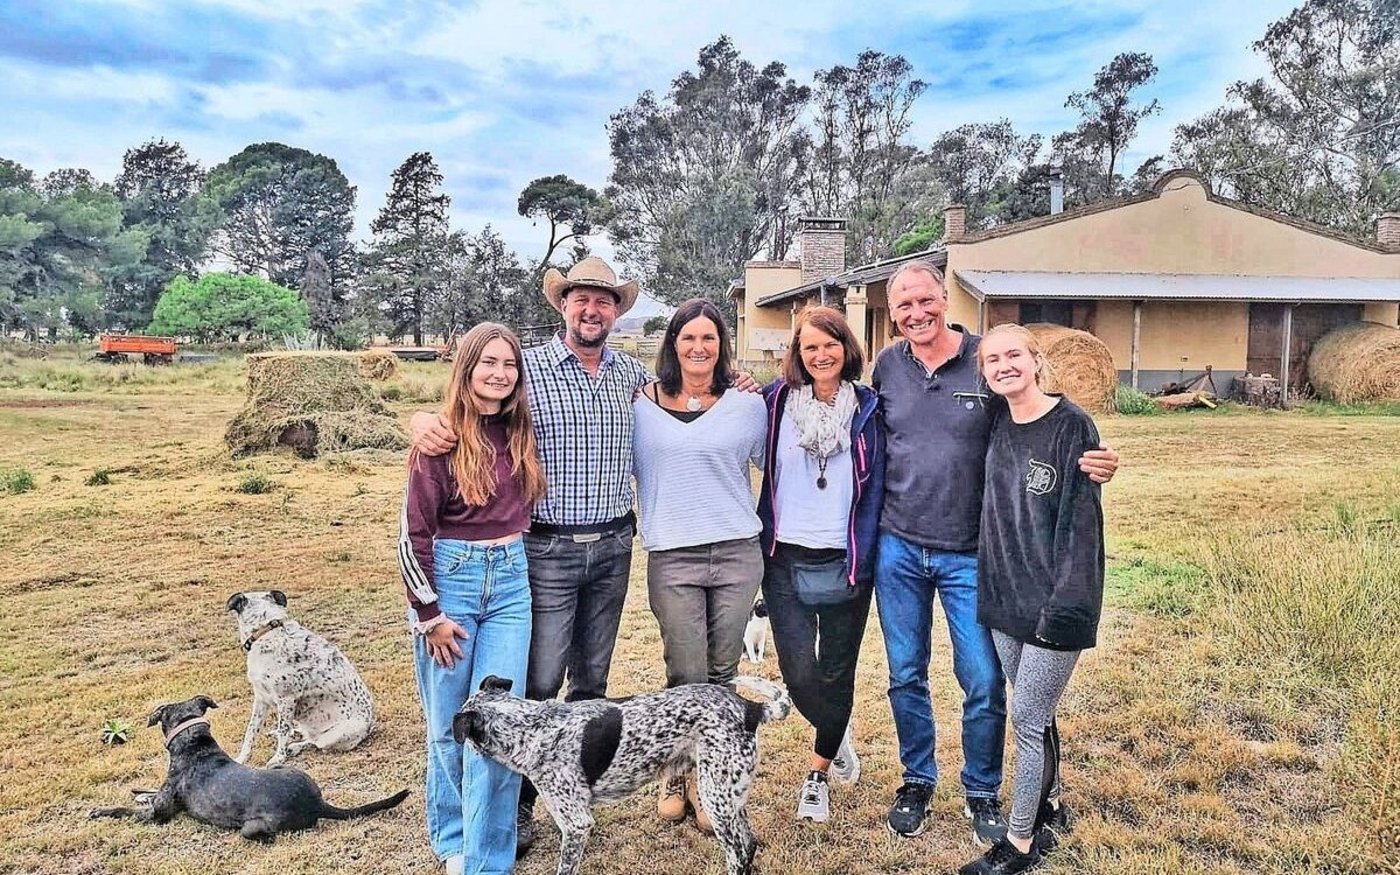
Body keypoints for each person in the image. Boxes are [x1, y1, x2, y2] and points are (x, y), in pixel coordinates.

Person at [873, 260, 1119, 844]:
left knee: (982, 680)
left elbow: (1040, 419)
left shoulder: (986, 359)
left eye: (926, 300)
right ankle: (917, 780)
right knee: (905, 673)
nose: (916, 313)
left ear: (944, 298)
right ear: (894, 311)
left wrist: (1093, 457)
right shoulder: (887, 366)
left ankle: (981, 790)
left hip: (973, 554)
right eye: (904, 305)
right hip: (898, 546)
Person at [410, 256, 649, 853]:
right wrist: (420, 420)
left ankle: (576, 794)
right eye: (580, 299)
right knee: (535, 682)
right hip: (543, 548)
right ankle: (516, 807)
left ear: (616, 312)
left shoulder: (631, 374)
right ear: (562, 305)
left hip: (614, 544)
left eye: (604, 301)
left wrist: (740, 382)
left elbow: (687, 391)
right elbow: (467, 408)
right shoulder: (527, 370)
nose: (591, 310)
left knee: (591, 680)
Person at [399, 322, 547, 875]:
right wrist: (429, 615)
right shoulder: (439, 442)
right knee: (448, 722)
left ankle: (488, 860)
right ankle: (454, 841)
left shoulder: (521, 432)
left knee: (500, 724)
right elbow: (412, 535)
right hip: (452, 582)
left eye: (509, 364)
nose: (499, 374)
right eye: (488, 362)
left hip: (511, 581)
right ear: (466, 368)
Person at [957, 324, 1104, 875]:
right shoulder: (997, 419)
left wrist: (1063, 608)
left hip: (1056, 604)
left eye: (1014, 354)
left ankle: (1020, 843)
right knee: (1036, 713)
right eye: (992, 359)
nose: (1004, 366)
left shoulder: (1072, 426)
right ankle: (1053, 806)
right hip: (1003, 597)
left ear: (1037, 359)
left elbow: (1082, 527)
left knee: (1026, 720)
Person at [631, 297, 767, 831]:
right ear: (673, 343)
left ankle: (713, 781)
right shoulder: (639, 403)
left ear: (721, 345)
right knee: (685, 672)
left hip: (736, 553)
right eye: (688, 337)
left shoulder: (747, 404)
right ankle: (675, 772)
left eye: (709, 337)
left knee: (721, 674)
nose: (698, 346)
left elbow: (777, 461)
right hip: (672, 555)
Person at [755, 306, 884, 824]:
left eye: (830, 344)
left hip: (848, 558)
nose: (821, 354)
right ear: (798, 353)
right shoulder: (773, 403)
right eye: (810, 346)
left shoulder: (870, 408)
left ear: (846, 348)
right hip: (784, 558)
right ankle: (835, 725)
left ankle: (818, 773)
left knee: (837, 669)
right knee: (799, 673)